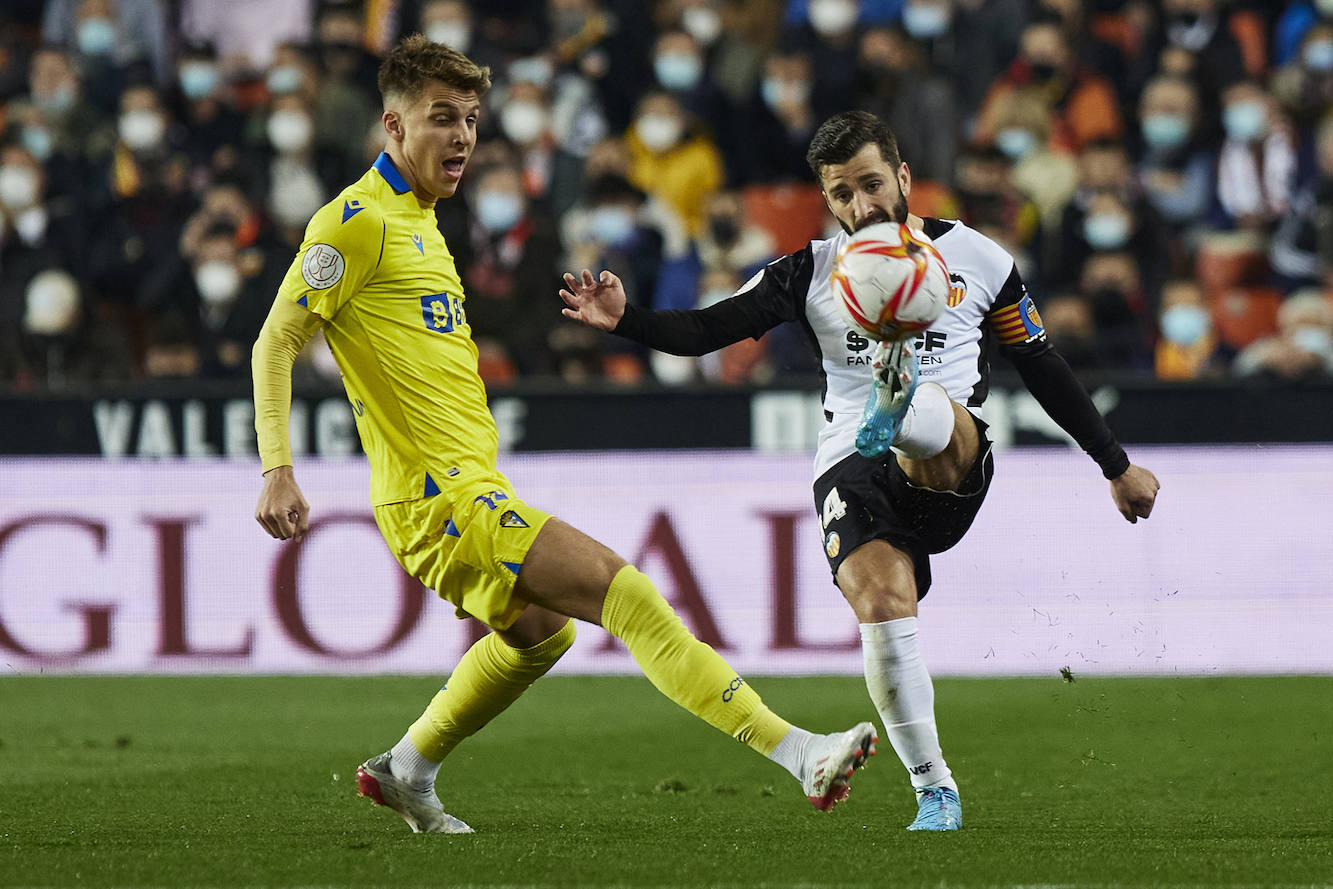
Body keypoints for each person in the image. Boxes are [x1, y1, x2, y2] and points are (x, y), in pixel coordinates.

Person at [250, 35, 877, 835]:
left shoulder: (423, 222)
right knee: (629, 592)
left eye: (472, 120)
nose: (463, 137)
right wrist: (277, 467)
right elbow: (275, 340)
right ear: (393, 126)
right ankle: (800, 754)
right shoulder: (353, 222)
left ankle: (408, 768)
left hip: (465, 486)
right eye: (442, 119)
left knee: (539, 636)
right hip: (438, 495)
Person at [560, 110, 1160, 831]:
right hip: (850, 462)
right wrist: (628, 321)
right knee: (881, 606)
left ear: (903, 178)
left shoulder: (979, 259)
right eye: (842, 195)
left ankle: (903, 401)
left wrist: (1114, 464)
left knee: (940, 416)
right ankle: (934, 789)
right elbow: (710, 327)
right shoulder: (807, 271)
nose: (860, 206)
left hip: (950, 456)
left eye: (872, 185)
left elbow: (1039, 361)